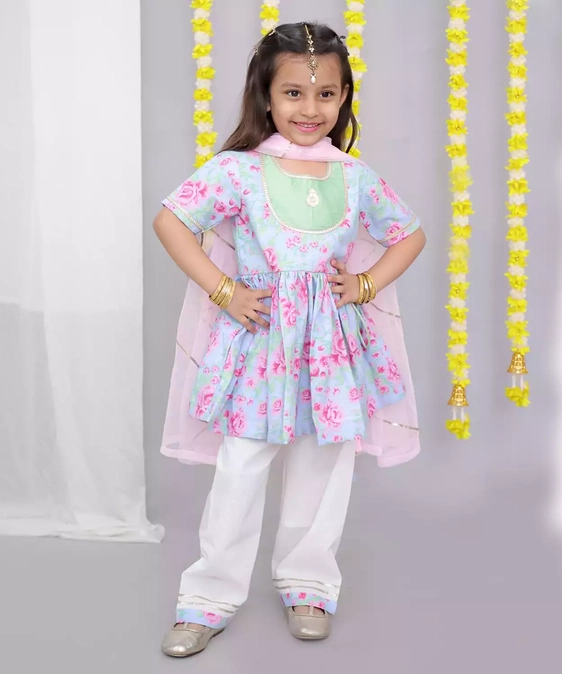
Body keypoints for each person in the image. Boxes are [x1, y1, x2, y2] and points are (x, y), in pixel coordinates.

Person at [153, 21, 426, 658]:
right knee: (241, 466)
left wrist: (364, 284)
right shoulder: (239, 171)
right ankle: (209, 597)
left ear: (344, 97)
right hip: (260, 343)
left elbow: (409, 234)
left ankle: (309, 583)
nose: (310, 109)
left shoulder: (354, 178)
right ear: (267, 96)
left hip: (329, 348)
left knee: (322, 465)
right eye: (294, 94)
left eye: (326, 94)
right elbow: (171, 222)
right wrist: (225, 290)